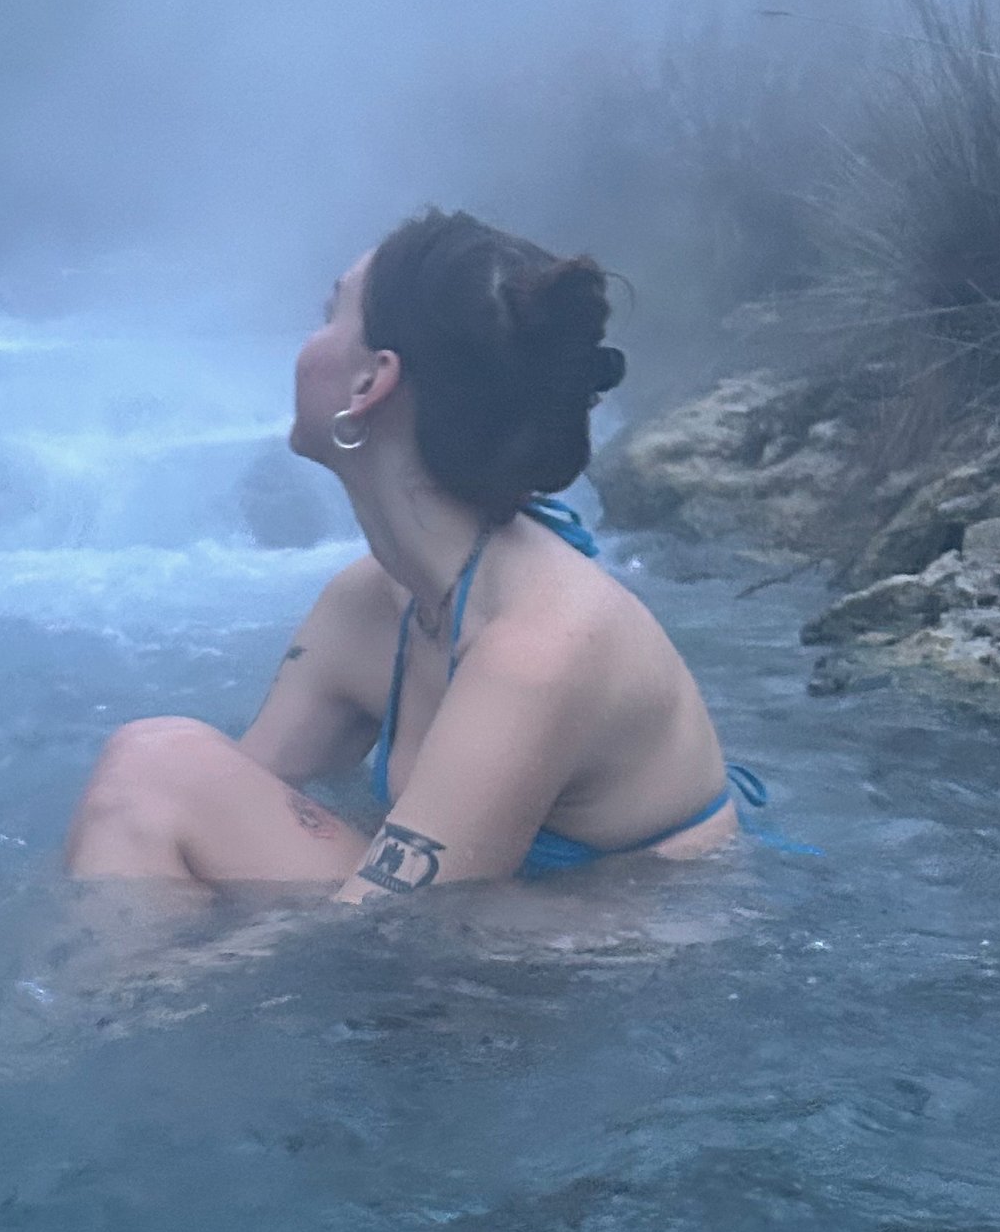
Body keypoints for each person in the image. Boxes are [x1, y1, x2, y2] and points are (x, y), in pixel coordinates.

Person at [64, 209, 746, 899]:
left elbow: (399, 944)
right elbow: (196, 823)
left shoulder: (543, 646)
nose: (306, 341)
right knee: (153, 776)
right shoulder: (367, 605)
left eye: (329, 316)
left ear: (371, 384)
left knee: (152, 764)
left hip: (617, 964)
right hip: (472, 938)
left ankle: (87, 1006)